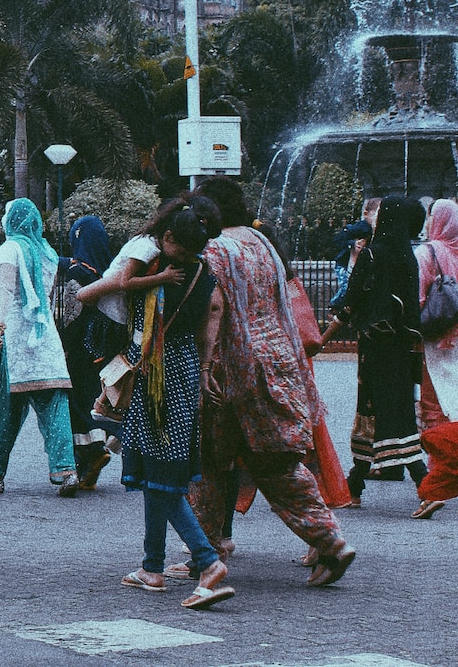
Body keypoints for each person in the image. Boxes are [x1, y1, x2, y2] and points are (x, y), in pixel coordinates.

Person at [187, 178, 355, 588]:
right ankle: (328, 538)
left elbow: (213, 307)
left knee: (209, 461)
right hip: (278, 359)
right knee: (277, 461)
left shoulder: (214, 250)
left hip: (233, 365)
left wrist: (204, 366)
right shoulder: (259, 242)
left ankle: (205, 552)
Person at [91, 200, 235, 610]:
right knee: (158, 474)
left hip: (158, 374)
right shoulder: (205, 271)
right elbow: (213, 318)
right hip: (187, 368)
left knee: (162, 475)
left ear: (168, 235)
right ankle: (151, 566)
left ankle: (207, 562)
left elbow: (101, 292)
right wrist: (206, 369)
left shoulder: (155, 270)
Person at [0, 198, 78, 497]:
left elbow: (6, 289)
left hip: (12, 339)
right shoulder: (47, 252)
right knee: (54, 405)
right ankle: (66, 470)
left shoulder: (9, 248)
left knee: (1, 407)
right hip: (44, 341)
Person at [339, 193, 428, 503]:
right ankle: (355, 483)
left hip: (375, 346)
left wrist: (323, 339)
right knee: (399, 405)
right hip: (403, 346)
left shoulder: (372, 255)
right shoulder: (407, 256)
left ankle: (424, 483)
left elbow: (349, 303)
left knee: (373, 408)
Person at [55, 215, 121, 488]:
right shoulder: (106, 271)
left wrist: (64, 346)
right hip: (100, 349)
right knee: (92, 401)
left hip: (78, 348)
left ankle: (92, 453)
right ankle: (90, 465)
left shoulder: (78, 272)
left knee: (74, 404)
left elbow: (72, 314)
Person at [414, 199, 458, 519]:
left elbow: (418, 298)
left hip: (437, 340)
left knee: (433, 407)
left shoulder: (428, 253)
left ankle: (437, 480)